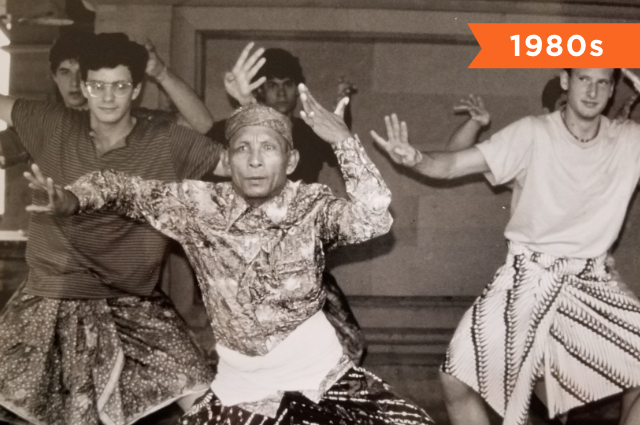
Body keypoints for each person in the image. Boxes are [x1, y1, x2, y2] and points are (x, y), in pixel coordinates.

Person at [25, 85, 435, 425]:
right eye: (242, 148)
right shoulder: (198, 206)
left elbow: (372, 219)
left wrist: (344, 143)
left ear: (291, 161)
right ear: (229, 159)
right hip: (240, 391)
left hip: (323, 380)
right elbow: (123, 188)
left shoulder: (311, 206)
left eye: (268, 148)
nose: (255, 160)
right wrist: (72, 199)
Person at [372, 68, 640, 425]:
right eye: (583, 79)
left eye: (602, 82)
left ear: (613, 88)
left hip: (591, 278)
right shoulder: (532, 132)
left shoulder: (629, 139)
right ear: (566, 81)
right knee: (455, 380)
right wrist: (416, 158)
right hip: (527, 276)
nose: (592, 91)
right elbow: (452, 163)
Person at [0, 33, 223, 425]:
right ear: (84, 87)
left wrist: (253, 113)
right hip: (51, 299)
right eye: (97, 86)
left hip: (134, 302)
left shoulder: (164, 138)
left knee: (205, 402)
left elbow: (228, 153)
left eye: (119, 87)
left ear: (135, 89)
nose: (107, 98)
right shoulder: (51, 123)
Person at [206, 44, 365, 363]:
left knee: (351, 345)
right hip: (251, 261)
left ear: (297, 88)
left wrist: (342, 120)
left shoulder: (307, 132)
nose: (280, 92)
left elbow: (341, 153)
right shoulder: (230, 129)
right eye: (273, 84)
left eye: (287, 84)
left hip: (301, 257)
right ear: (260, 89)